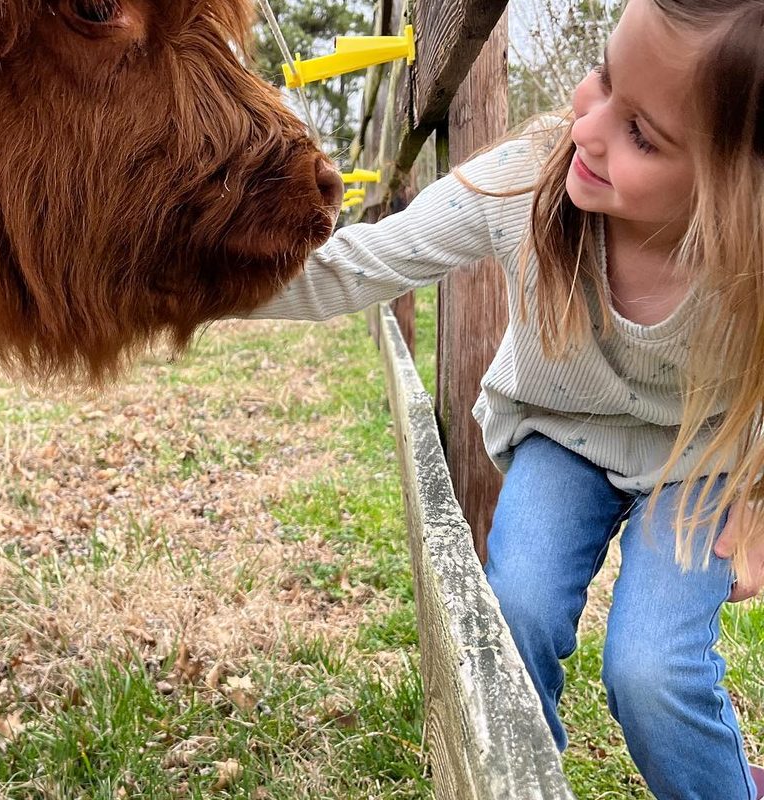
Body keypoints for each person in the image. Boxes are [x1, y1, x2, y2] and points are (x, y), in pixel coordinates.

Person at [250, 1, 764, 796]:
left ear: (738, 185)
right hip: (563, 434)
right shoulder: (526, 184)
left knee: (652, 671)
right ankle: (520, 781)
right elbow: (358, 264)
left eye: (641, 134)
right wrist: (175, 287)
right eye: (603, 77)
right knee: (513, 606)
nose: (586, 127)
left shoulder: (751, 262)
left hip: (699, 462)